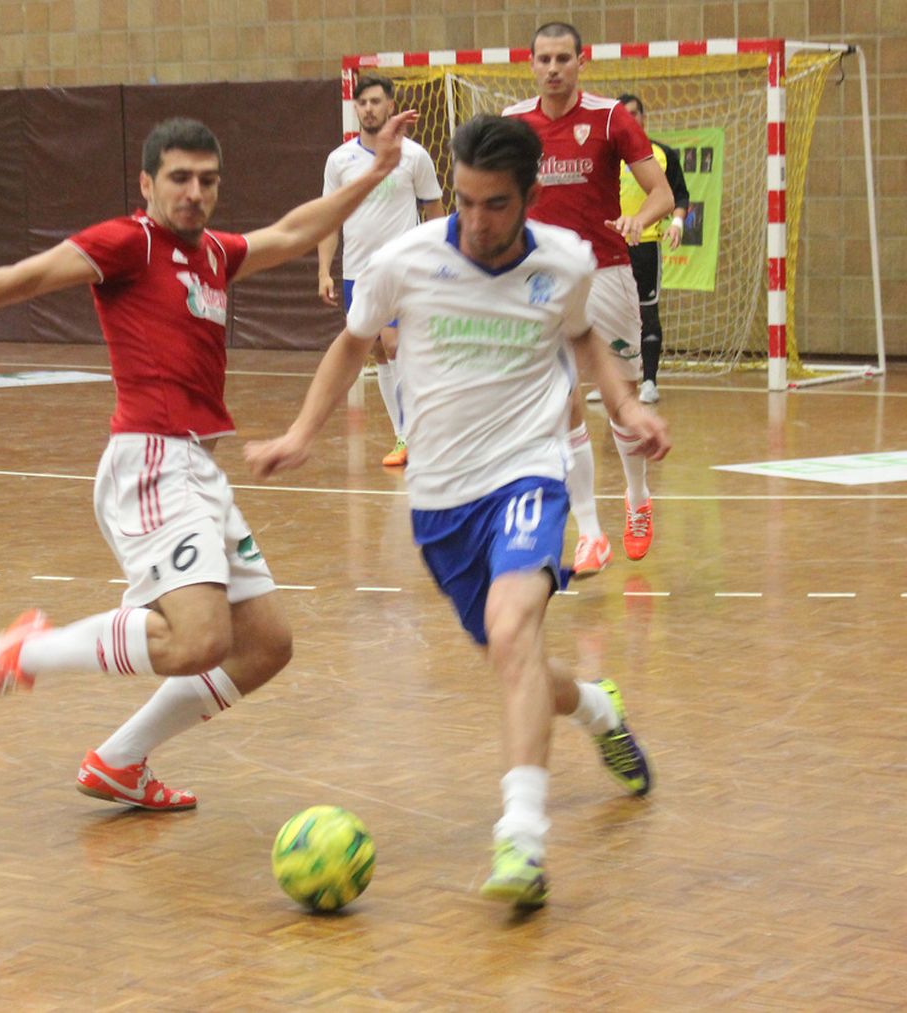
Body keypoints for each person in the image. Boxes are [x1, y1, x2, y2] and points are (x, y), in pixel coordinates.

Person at [0, 111, 416, 812]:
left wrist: (374, 173)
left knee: (266, 644)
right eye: (179, 179)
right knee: (198, 640)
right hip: (150, 463)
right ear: (147, 183)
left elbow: (296, 231)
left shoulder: (215, 252)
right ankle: (26, 651)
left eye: (207, 181)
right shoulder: (127, 242)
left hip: (198, 470)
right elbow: (26, 275)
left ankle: (119, 761)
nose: (195, 192)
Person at [246, 115, 669, 910]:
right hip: (440, 503)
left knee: (513, 630)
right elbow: (350, 343)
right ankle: (598, 707)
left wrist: (625, 406)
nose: (476, 221)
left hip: (527, 474)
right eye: (466, 201)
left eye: (496, 205)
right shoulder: (406, 260)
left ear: (529, 198)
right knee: (516, 662)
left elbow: (584, 340)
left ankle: (522, 839)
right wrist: (303, 431)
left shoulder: (565, 262)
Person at [504, 22, 674, 576]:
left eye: (563, 59)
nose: (553, 68)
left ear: (582, 61)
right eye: (543, 59)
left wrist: (638, 218)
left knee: (620, 399)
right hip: (539, 281)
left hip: (606, 273)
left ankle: (637, 497)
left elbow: (662, 192)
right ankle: (591, 533)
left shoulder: (609, 118)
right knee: (560, 401)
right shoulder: (512, 125)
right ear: (530, 64)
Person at [318, 74, 445, 467]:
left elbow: (435, 209)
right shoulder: (339, 161)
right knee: (378, 352)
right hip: (359, 272)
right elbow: (329, 219)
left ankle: (418, 433)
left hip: (404, 270)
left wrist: (436, 258)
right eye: (362, 103)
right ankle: (403, 435)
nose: (369, 109)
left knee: (395, 343)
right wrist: (325, 270)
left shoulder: (414, 155)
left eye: (376, 101)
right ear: (355, 108)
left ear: (390, 106)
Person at [616, 93, 691, 405]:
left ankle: (648, 381)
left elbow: (680, 196)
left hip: (645, 244)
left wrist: (676, 224)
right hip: (612, 247)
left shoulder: (662, 154)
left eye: (635, 113)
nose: (630, 119)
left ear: (643, 117)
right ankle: (618, 382)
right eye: (624, 114)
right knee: (613, 314)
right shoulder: (606, 155)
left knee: (647, 312)